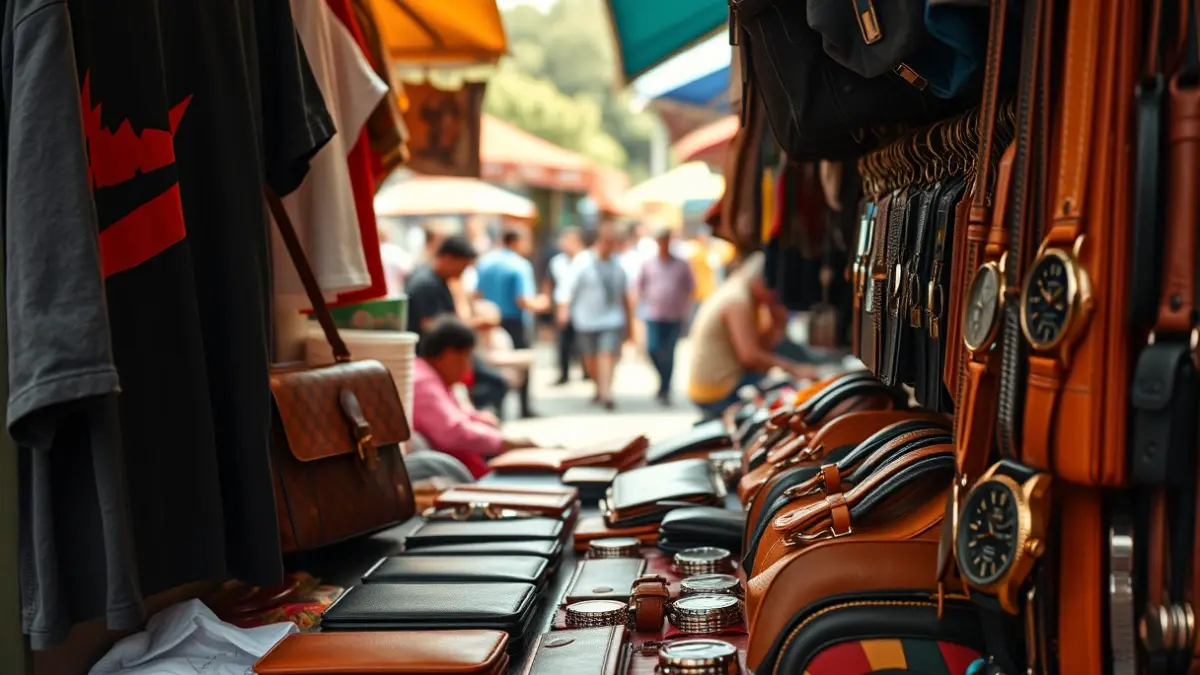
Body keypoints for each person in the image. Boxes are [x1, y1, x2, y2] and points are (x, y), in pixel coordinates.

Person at [686, 252, 820, 419]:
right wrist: (795, 369)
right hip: (718, 391)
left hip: (724, 382)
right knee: (790, 392)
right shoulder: (738, 300)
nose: (776, 294)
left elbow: (762, 347)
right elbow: (750, 357)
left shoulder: (742, 292)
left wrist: (777, 321)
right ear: (763, 281)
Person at [411, 316, 537, 478]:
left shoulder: (433, 376)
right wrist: (503, 443)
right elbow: (452, 432)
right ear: (449, 355)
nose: (469, 366)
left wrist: (478, 418)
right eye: (467, 357)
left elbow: (456, 416)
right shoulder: (423, 381)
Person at [405, 235, 509, 414]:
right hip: (438, 356)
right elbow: (431, 325)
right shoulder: (426, 284)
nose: (462, 272)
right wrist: (475, 324)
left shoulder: (436, 280)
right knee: (493, 383)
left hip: (447, 353)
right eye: (462, 266)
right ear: (447, 258)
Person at [475, 228, 548, 418]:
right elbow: (522, 300)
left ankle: (497, 408)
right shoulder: (519, 265)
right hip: (515, 321)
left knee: (491, 364)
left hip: (489, 322)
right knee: (520, 363)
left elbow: (477, 293)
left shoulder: (486, 262)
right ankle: (524, 407)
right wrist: (542, 304)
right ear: (517, 242)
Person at [560, 219, 632, 410]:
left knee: (606, 354)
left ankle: (607, 393)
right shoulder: (582, 261)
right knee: (590, 359)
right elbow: (567, 288)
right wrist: (563, 310)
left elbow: (626, 295)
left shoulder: (619, 264)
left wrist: (630, 323)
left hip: (612, 319)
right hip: (586, 320)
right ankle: (599, 388)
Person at [637, 228, 695, 406]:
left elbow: (691, 288)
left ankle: (665, 389)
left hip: (675, 316)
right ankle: (663, 380)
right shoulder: (648, 264)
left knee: (669, 352)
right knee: (653, 349)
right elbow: (640, 286)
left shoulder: (682, 265)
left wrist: (685, 308)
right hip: (654, 315)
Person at [547, 227, 585, 385]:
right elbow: (551, 284)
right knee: (563, 342)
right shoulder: (557, 262)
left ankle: (587, 371)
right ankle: (564, 372)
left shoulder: (585, 260)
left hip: (583, 306)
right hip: (563, 304)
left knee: (583, 341)